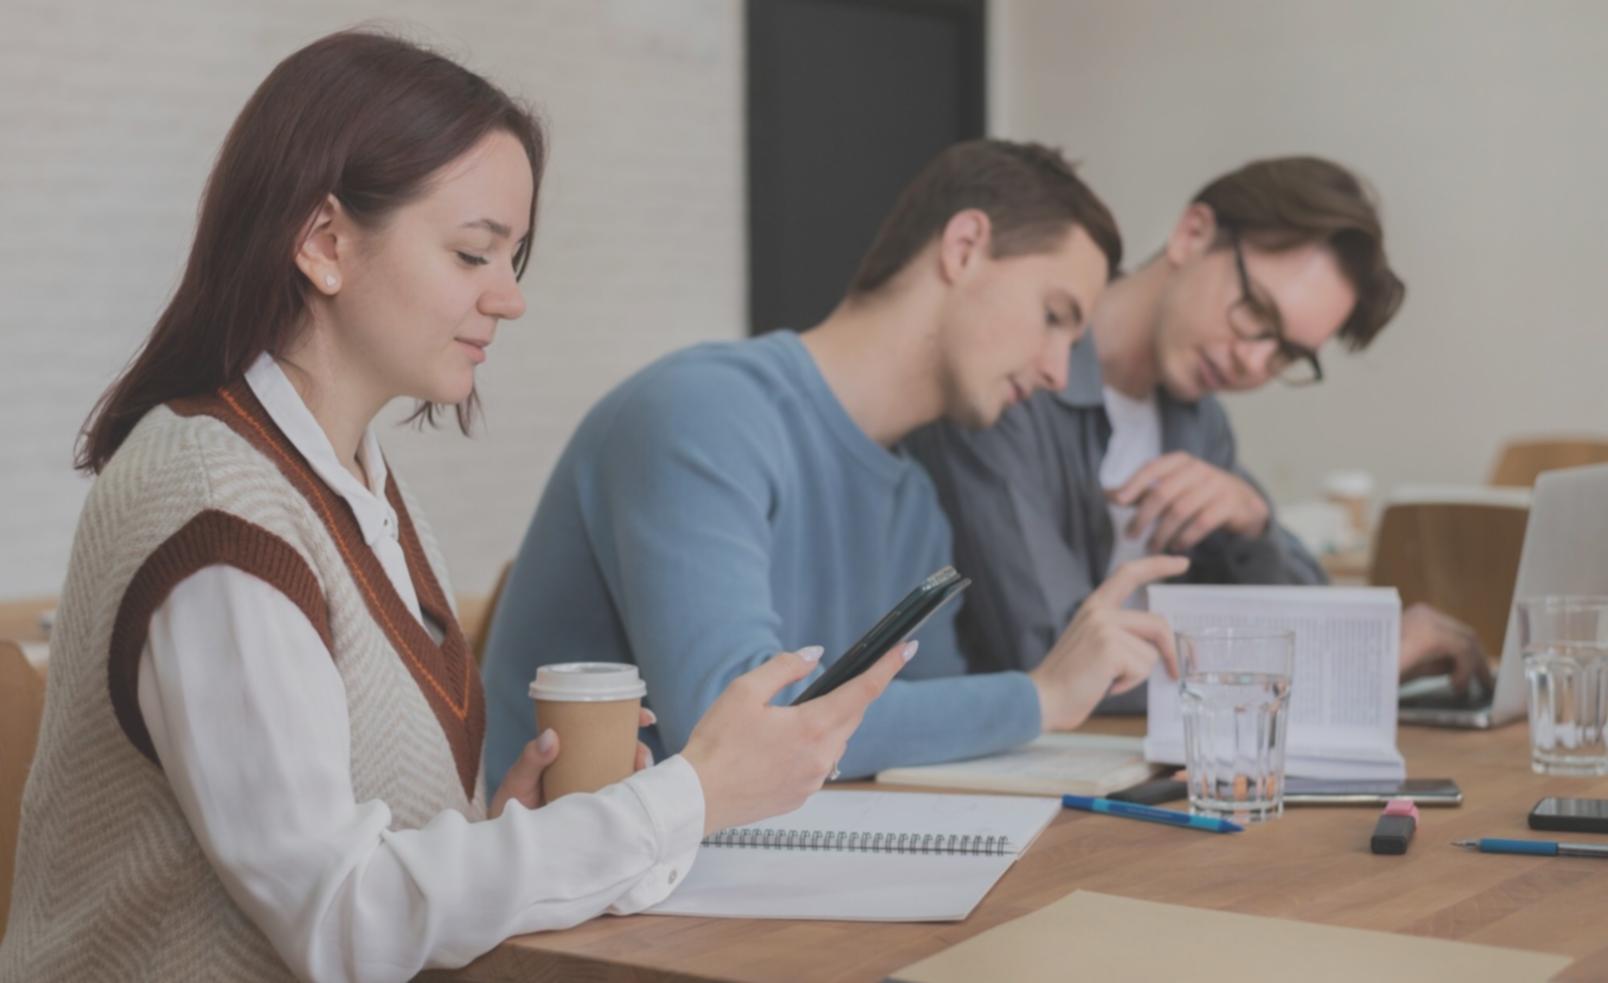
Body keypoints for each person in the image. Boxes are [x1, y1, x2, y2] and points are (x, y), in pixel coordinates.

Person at [0, 31, 910, 983]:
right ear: (323, 244)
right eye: (475, 253)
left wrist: (500, 835)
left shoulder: (363, 486)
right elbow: (342, 916)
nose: (509, 299)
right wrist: (692, 794)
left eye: (512, 257)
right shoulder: (216, 502)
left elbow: (370, 859)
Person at [482, 138, 1190, 792]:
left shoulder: (915, 499)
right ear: (966, 247)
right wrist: (1040, 695)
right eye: (1055, 315)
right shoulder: (702, 410)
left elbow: (926, 723)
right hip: (594, 902)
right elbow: (737, 722)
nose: (1062, 373)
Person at [906, 156, 1492, 708]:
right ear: (1192, 233)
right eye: (1257, 313)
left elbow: (1292, 613)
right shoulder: (1010, 382)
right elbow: (1057, 662)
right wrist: (1348, 667)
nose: (1253, 363)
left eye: (1287, 354)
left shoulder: (1197, 419)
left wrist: (1254, 524)